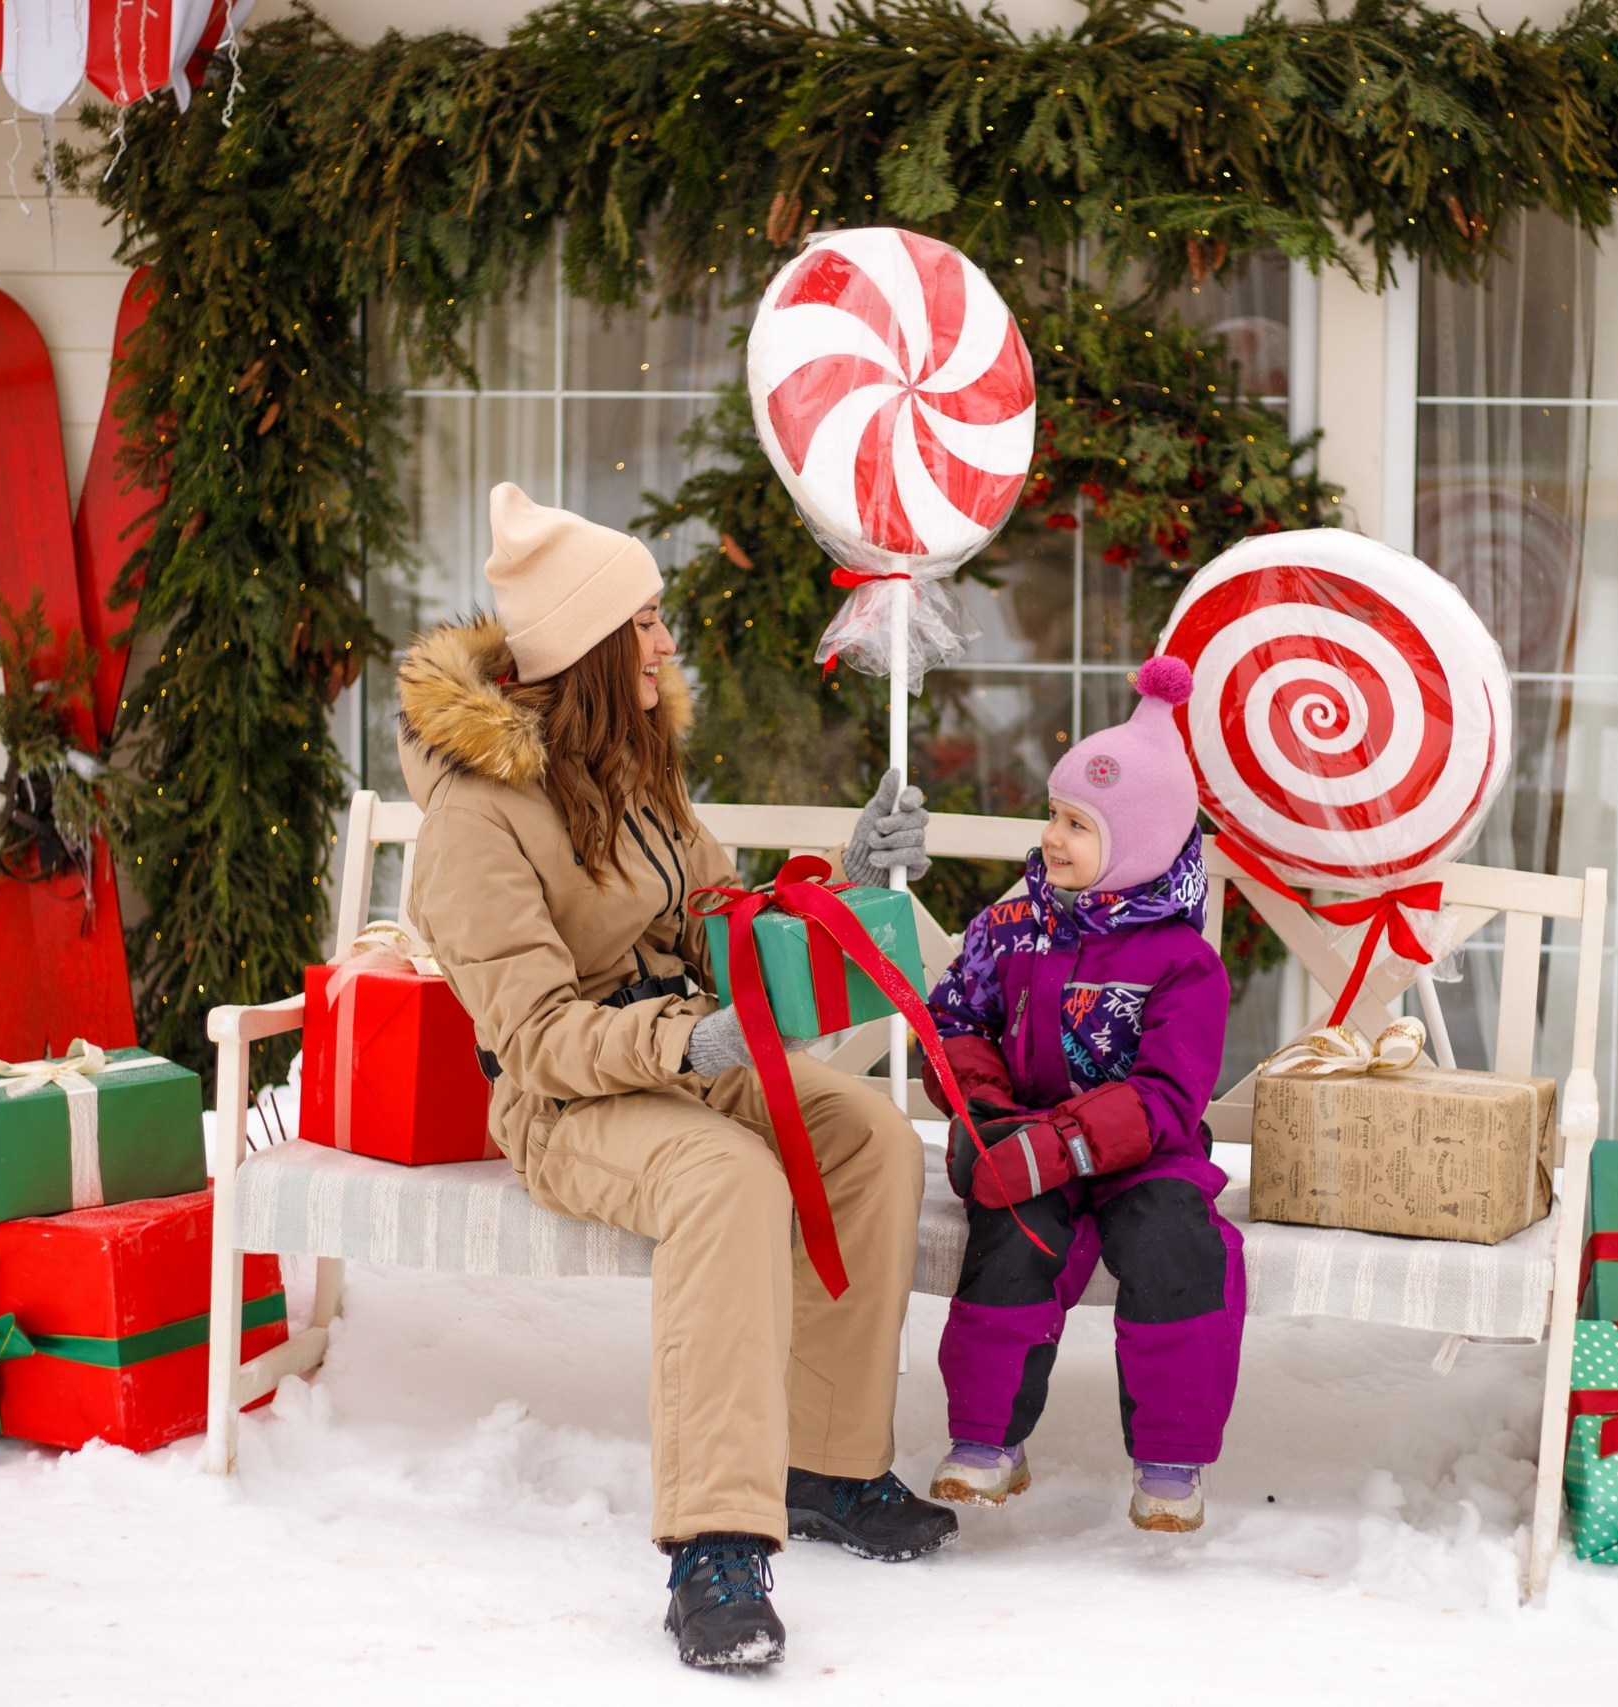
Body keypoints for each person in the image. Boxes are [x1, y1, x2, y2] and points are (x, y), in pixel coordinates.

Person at [396, 484, 956, 1670]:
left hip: (687, 1059)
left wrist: (841, 877)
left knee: (872, 1137)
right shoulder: (475, 818)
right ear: (588, 645)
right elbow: (537, 1035)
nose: (664, 639)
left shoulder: (634, 767)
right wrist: (683, 1043)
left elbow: (714, 921)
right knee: (728, 1182)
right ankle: (715, 1541)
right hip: (567, 1104)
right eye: (643, 620)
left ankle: (828, 1465)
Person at [918, 655, 1244, 1533]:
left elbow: (1171, 1092)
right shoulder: (1013, 926)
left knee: (1179, 1247)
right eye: (1054, 815)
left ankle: (1171, 1459)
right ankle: (988, 1439)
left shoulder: (1184, 963)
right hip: (1026, 1142)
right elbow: (952, 1020)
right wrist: (983, 1109)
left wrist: (1063, 1142)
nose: (1053, 838)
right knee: (1013, 1241)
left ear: (1137, 844)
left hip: (1146, 1154)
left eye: (1080, 825)